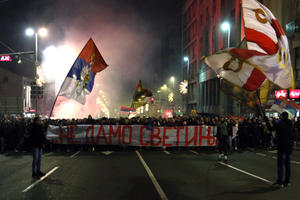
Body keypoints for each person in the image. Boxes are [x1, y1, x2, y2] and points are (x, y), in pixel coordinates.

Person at [265, 112, 294, 187]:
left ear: (282, 117)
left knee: (280, 165)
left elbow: (271, 128)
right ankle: (287, 181)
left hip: (282, 147)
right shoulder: (291, 124)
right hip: (289, 147)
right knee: (288, 166)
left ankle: (280, 181)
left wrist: (266, 121)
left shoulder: (281, 124)